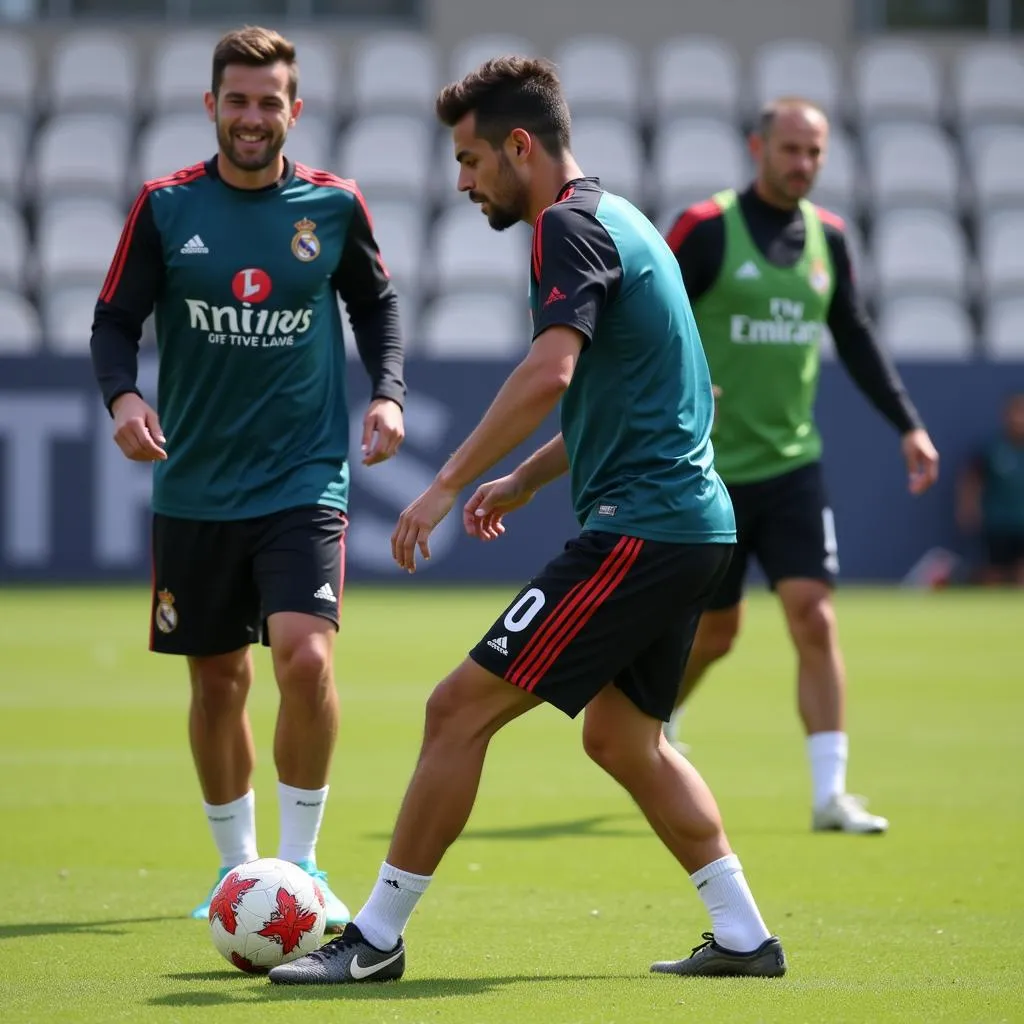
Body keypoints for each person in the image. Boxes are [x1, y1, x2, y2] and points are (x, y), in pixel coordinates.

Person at [269, 56, 786, 985]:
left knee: (455, 709)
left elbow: (550, 373)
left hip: (645, 524)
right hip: (691, 523)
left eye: (470, 160)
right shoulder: (625, 221)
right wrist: (525, 479)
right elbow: (633, 395)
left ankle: (374, 940)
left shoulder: (566, 228)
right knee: (622, 738)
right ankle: (745, 935)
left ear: (520, 145)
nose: (461, 183)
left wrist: (442, 485)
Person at [89, 25, 406, 929]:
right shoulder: (163, 208)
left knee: (305, 662)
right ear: (212, 107)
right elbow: (114, 322)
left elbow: (376, 305)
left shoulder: (334, 206)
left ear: (293, 111)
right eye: (238, 100)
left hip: (304, 477)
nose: (254, 117)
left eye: (270, 102)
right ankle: (237, 873)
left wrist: (385, 394)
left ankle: (299, 867)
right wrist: (122, 400)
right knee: (218, 680)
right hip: (194, 484)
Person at [662, 96, 940, 834]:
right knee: (716, 635)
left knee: (813, 617)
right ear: (758, 147)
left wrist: (909, 426)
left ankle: (829, 795)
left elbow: (854, 335)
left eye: (815, 152)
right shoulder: (707, 229)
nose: (803, 164)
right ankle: (663, 717)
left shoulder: (831, 239)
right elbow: (649, 317)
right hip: (709, 470)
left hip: (793, 467)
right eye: (791, 149)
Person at [956, 392, 1024, 586]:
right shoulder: (992, 448)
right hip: (998, 522)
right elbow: (972, 480)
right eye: (1016, 412)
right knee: (994, 573)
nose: (1020, 419)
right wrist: (968, 509)